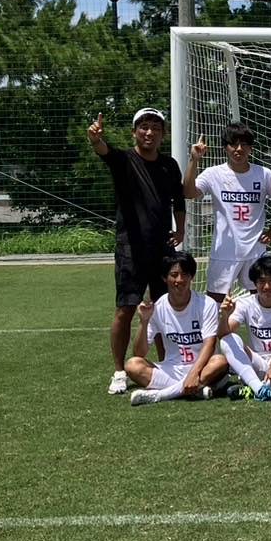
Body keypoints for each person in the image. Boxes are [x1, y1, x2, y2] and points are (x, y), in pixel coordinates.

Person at [88, 107, 185, 396]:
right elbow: (103, 151)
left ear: (163, 134)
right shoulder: (124, 160)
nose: (149, 132)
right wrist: (95, 139)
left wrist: (180, 230)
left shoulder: (169, 165)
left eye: (155, 127)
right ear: (134, 132)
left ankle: (168, 364)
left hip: (162, 250)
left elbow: (179, 200)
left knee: (165, 308)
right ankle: (120, 371)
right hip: (130, 249)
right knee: (126, 309)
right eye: (144, 127)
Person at [184, 121, 271, 300]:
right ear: (226, 147)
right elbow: (189, 192)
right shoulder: (213, 173)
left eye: (244, 144)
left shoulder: (263, 173)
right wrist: (194, 160)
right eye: (233, 144)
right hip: (224, 251)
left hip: (255, 249)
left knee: (261, 298)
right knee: (216, 300)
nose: (239, 149)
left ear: (251, 148)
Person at [126, 252, 229, 406]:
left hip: (202, 367)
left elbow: (210, 344)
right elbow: (139, 353)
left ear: (192, 277)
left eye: (185, 275)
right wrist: (144, 321)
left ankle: (161, 395)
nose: (179, 280)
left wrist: (194, 373)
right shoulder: (158, 307)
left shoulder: (207, 304)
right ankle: (195, 388)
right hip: (172, 368)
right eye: (174, 275)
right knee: (132, 365)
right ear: (164, 278)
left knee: (220, 361)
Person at [216, 253, 271, 402]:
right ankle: (260, 388)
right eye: (261, 281)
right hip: (259, 364)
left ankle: (256, 387)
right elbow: (223, 334)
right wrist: (224, 316)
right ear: (255, 283)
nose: (267, 287)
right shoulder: (245, 303)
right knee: (228, 340)